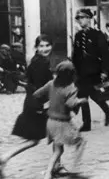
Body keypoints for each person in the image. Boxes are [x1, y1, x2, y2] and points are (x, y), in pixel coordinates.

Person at [0, 35, 67, 178]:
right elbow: (39, 87)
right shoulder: (41, 63)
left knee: (47, 138)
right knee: (43, 138)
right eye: (41, 46)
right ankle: (53, 168)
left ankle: (56, 166)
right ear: (36, 47)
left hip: (33, 104)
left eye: (47, 45)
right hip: (39, 106)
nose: (45, 49)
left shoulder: (37, 61)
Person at [33, 61, 87, 179]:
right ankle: (73, 169)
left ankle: (54, 169)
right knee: (81, 142)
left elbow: (37, 94)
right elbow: (70, 103)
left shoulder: (50, 83)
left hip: (50, 122)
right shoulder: (71, 88)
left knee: (57, 149)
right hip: (62, 123)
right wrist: (81, 100)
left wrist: (47, 103)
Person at [72, 8, 109, 132]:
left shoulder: (97, 34)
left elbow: (105, 55)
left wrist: (105, 71)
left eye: (83, 18)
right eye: (78, 18)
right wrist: (74, 70)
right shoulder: (78, 35)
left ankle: (104, 113)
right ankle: (90, 121)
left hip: (94, 70)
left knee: (92, 95)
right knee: (85, 95)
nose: (80, 20)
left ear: (90, 19)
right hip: (81, 71)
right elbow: (76, 55)